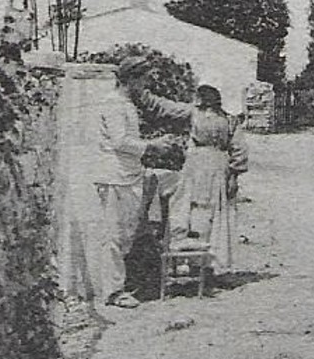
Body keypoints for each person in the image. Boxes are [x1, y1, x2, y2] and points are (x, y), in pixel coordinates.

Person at [134, 83, 250, 272]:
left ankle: (204, 261)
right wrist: (234, 175)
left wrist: (234, 175)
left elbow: (239, 149)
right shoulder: (213, 117)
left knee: (202, 211)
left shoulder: (226, 120)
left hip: (207, 166)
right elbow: (165, 107)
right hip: (204, 167)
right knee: (200, 211)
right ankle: (198, 260)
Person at [90, 56, 159, 309]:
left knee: (126, 234)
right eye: (143, 80)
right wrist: (152, 145)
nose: (146, 86)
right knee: (114, 235)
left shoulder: (125, 103)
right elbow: (119, 142)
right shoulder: (114, 104)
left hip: (127, 173)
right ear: (132, 79)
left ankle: (118, 284)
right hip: (114, 175)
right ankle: (113, 292)